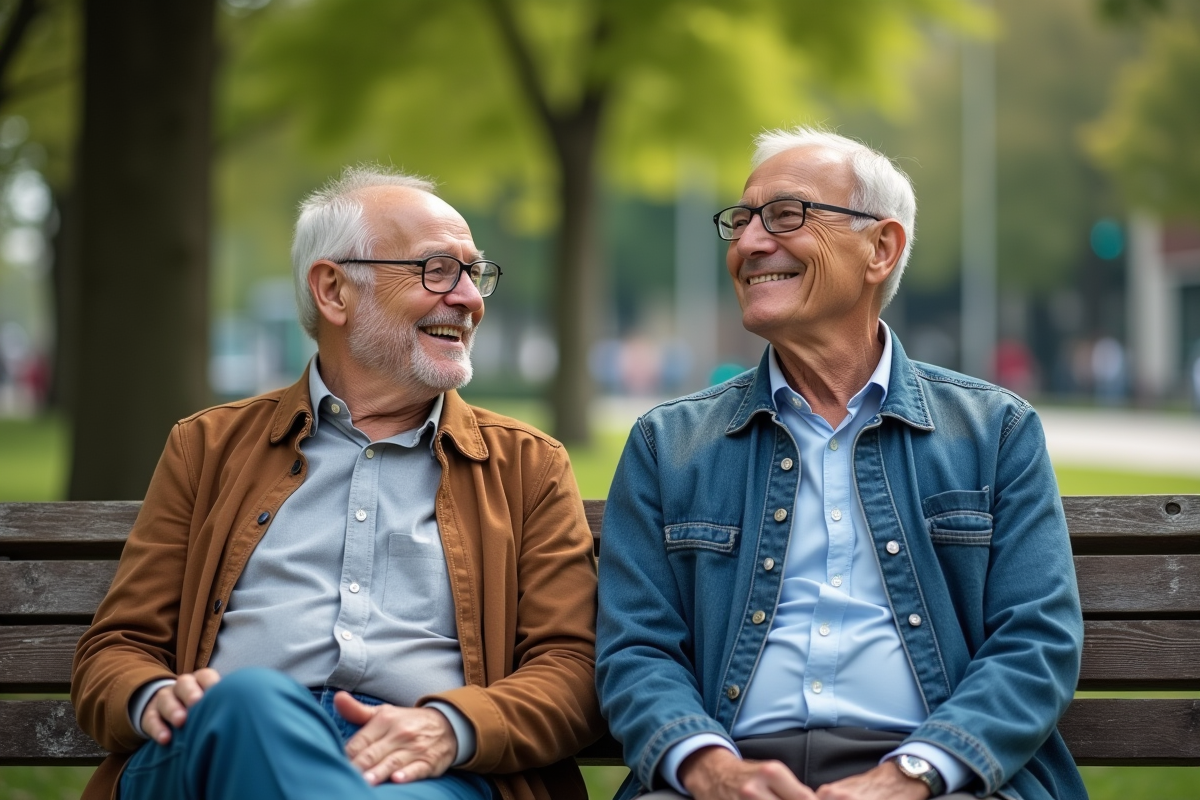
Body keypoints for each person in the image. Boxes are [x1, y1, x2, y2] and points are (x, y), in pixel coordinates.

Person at [71, 166, 603, 800]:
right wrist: (155, 697)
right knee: (250, 703)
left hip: (418, 772)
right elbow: (117, 647)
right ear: (333, 290)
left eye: (474, 272)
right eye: (437, 270)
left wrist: (449, 726)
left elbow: (571, 670)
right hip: (211, 754)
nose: (469, 298)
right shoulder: (208, 448)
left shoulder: (527, 466)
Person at [595, 127, 1085, 800]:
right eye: (741, 220)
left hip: (940, 778)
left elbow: (1036, 644)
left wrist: (911, 774)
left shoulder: (997, 432)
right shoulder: (667, 443)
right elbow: (637, 651)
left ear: (880, 249)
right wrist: (713, 771)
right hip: (728, 773)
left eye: (787, 215)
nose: (749, 242)